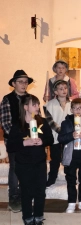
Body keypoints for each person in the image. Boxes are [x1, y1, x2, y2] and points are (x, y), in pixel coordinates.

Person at [7, 94, 53, 225]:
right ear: (26, 107)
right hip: (24, 164)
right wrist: (24, 144)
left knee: (40, 191)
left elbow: (50, 139)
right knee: (26, 192)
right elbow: (10, 146)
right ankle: (27, 219)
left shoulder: (42, 122)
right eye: (34, 104)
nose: (38, 107)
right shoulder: (18, 125)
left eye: (38, 104)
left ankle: (38, 217)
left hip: (39, 163)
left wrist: (42, 141)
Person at [0, 70, 34, 212]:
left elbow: (35, 119)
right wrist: (19, 138)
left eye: (26, 82)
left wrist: (33, 136)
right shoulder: (7, 99)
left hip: (29, 139)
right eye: (20, 81)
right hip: (13, 140)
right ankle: (13, 197)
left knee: (28, 167)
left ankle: (25, 195)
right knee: (15, 167)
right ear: (13, 84)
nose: (24, 84)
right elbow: (5, 122)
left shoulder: (31, 98)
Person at [43, 80, 72, 187]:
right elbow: (50, 121)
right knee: (55, 159)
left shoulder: (72, 103)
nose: (64, 90)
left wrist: (68, 132)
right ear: (55, 91)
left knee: (68, 158)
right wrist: (61, 131)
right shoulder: (49, 105)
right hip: (55, 136)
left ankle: (70, 177)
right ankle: (52, 178)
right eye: (60, 88)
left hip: (69, 136)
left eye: (65, 88)